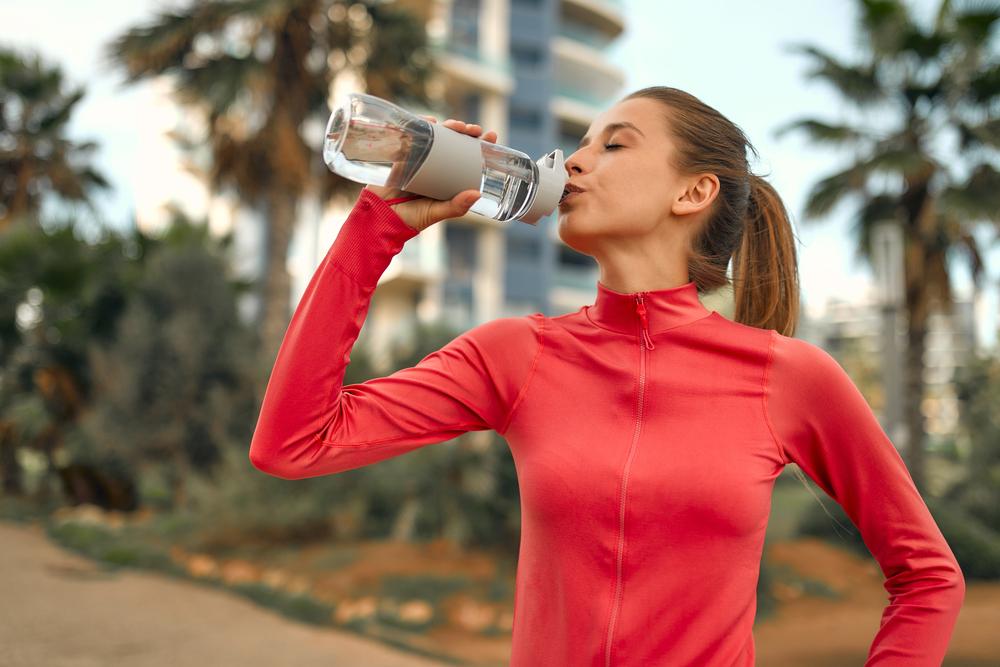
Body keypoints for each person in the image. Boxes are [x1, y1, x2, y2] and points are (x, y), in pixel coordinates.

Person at [249, 86, 965, 666]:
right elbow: (293, 442)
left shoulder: (789, 374)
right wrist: (379, 226)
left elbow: (928, 576)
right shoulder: (515, 354)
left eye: (614, 144)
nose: (574, 161)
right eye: (583, 143)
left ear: (694, 192)